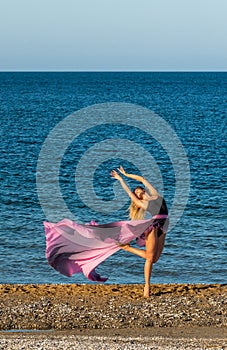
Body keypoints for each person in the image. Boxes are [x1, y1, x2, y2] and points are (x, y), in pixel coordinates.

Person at [111, 166, 169, 298]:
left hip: (164, 227)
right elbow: (128, 192)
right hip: (154, 227)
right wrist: (120, 179)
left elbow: (142, 179)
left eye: (139, 190)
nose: (137, 192)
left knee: (155, 259)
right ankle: (147, 286)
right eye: (136, 193)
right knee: (149, 258)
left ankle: (128, 248)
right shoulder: (142, 203)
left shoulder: (155, 195)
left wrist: (126, 174)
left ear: (143, 190)